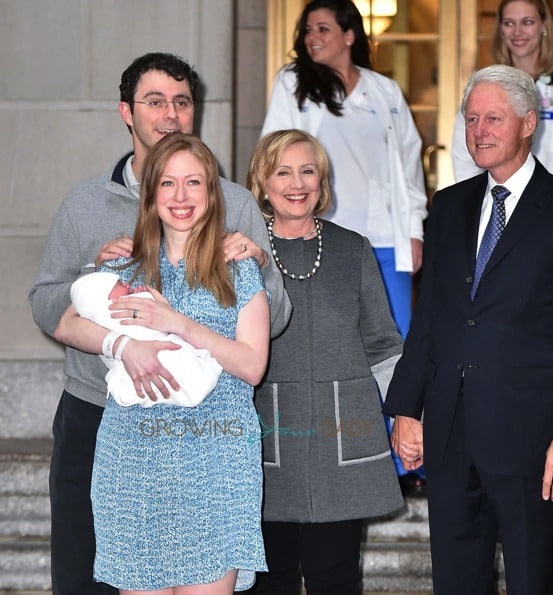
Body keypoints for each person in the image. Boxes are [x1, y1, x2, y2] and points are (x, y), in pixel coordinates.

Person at [29, 52, 290, 595]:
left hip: (214, 443)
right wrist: (119, 334)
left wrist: (259, 268)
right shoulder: (86, 207)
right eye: (155, 101)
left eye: (181, 101)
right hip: (114, 425)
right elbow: (54, 305)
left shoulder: (239, 211)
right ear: (127, 111)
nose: (169, 113)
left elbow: (265, 332)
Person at [383, 65, 553, 594]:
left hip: (532, 439)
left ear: (529, 123)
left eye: (493, 118)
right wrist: (405, 407)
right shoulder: (448, 206)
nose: (478, 131)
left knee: (532, 582)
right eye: (470, 119)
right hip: (450, 434)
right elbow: (431, 320)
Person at [260, 0, 428, 491]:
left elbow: (408, 164)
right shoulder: (293, 83)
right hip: (320, 242)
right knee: (341, 352)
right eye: (307, 30)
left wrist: (414, 229)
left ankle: (406, 461)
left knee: (396, 351)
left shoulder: (385, 91)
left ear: (350, 34)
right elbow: (273, 152)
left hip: (383, 240)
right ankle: (351, 450)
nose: (313, 37)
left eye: (323, 28)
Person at [245, 129, 404, 594]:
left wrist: (407, 416)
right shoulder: (239, 251)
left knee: (334, 576)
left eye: (308, 171)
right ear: (263, 180)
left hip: (342, 440)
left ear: (322, 180)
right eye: (283, 171)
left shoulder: (352, 248)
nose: (297, 183)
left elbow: (384, 344)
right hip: (265, 439)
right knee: (267, 581)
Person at [451, 0, 553, 189]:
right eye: (509, 23)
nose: (517, 32)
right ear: (501, 29)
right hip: (499, 206)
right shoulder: (482, 87)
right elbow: (465, 159)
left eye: (527, 22)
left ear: (544, 25)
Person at [71, 271, 222, 407]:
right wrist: (144, 296)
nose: (127, 284)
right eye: (119, 284)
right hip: (150, 357)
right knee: (174, 362)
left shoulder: (96, 321)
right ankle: (192, 381)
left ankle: (190, 383)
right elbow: (150, 309)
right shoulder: (107, 314)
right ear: (104, 298)